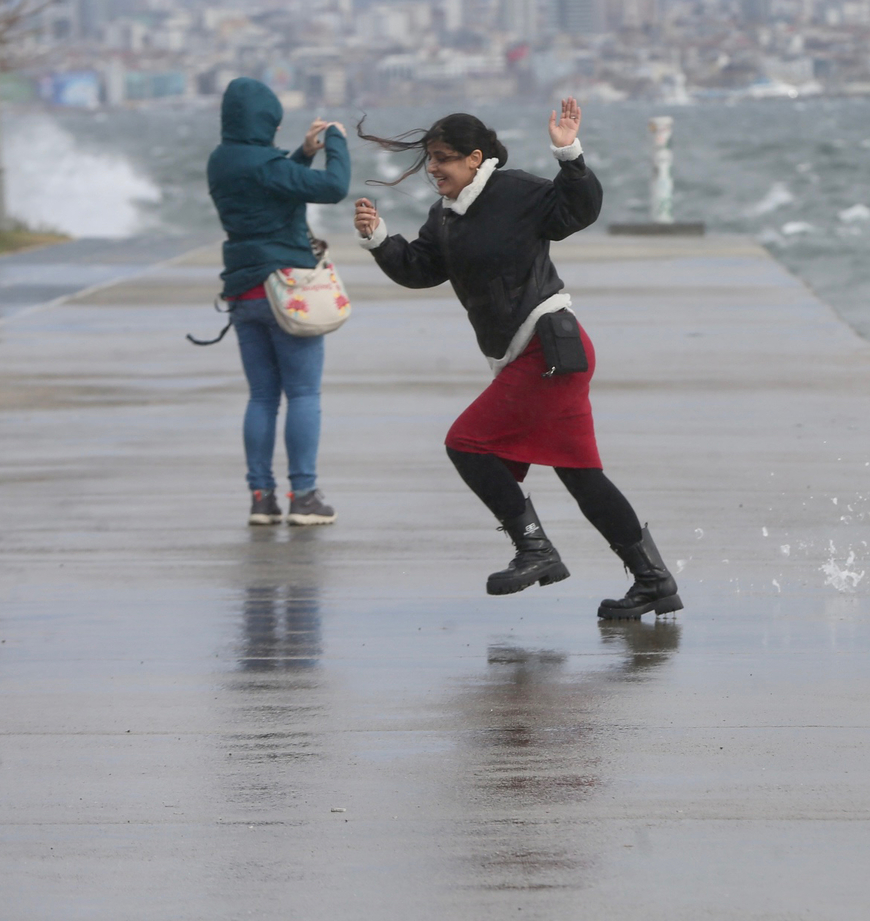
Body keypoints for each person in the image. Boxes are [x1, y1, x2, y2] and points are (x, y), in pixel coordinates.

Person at [352, 100, 682, 620]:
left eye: (442, 158)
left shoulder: (518, 192)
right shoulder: (446, 216)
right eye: (430, 159)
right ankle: (653, 581)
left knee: (467, 443)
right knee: (582, 477)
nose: (433, 168)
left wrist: (568, 152)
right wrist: (377, 240)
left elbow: (581, 209)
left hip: (547, 348)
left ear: (474, 158)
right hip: (532, 355)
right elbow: (420, 269)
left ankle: (536, 550)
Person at [207, 78, 351, 526]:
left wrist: (303, 153)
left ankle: (261, 498)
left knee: (263, 397)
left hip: (243, 292)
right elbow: (333, 187)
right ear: (269, 119)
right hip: (287, 292)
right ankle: (304, 496)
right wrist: (337, 143)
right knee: (304, 393)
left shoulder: (223, 161)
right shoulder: (265, 163)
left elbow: (270, 186)